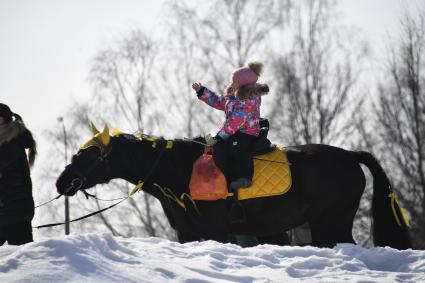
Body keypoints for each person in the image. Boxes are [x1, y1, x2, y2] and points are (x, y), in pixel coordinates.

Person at [192, 61, 268, 205]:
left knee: (237, 146)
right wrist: (202, 91)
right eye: (232, 80)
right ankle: (222, 177)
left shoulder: (249, 99)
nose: (232, 83)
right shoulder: (233, 97)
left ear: (244, 84)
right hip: (234, 131)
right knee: (220, 148)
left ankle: (244, 178)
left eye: (235, 80)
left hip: (247, 132)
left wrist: (220, 136)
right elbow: (219, 101)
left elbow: (237, 121)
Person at [0, 103, 37, 245]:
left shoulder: (12, 141)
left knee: (23, 261)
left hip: (15, 213)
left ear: (3, 119)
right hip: (8, 212)